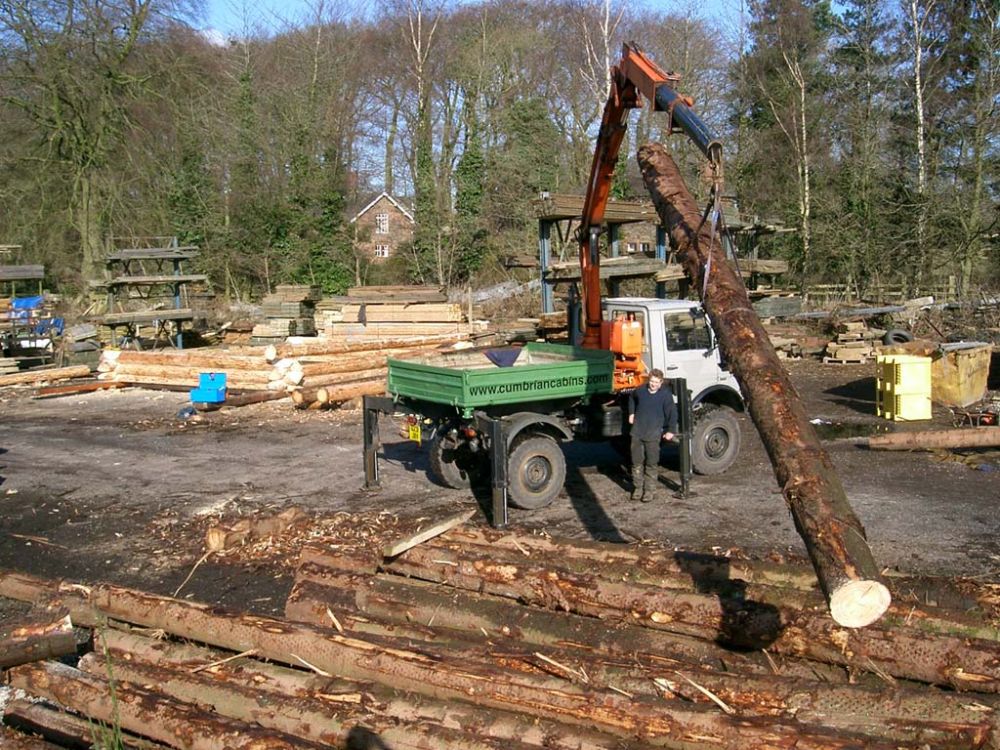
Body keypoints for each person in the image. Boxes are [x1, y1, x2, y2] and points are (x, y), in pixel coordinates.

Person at [627, 368, 677, 503]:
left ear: (661, 383)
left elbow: (672, 413)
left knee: (651, 463)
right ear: (648, 380)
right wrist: (631, 413)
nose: (653, 384)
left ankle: (649, 491)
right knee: (636, 463)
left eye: (656, 382)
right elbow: (631, 398)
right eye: (651, 381)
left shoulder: (665, 395)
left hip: (653, 433)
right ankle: (637, 488)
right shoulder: (640, 390)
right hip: (637, 432)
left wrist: (671, 430)